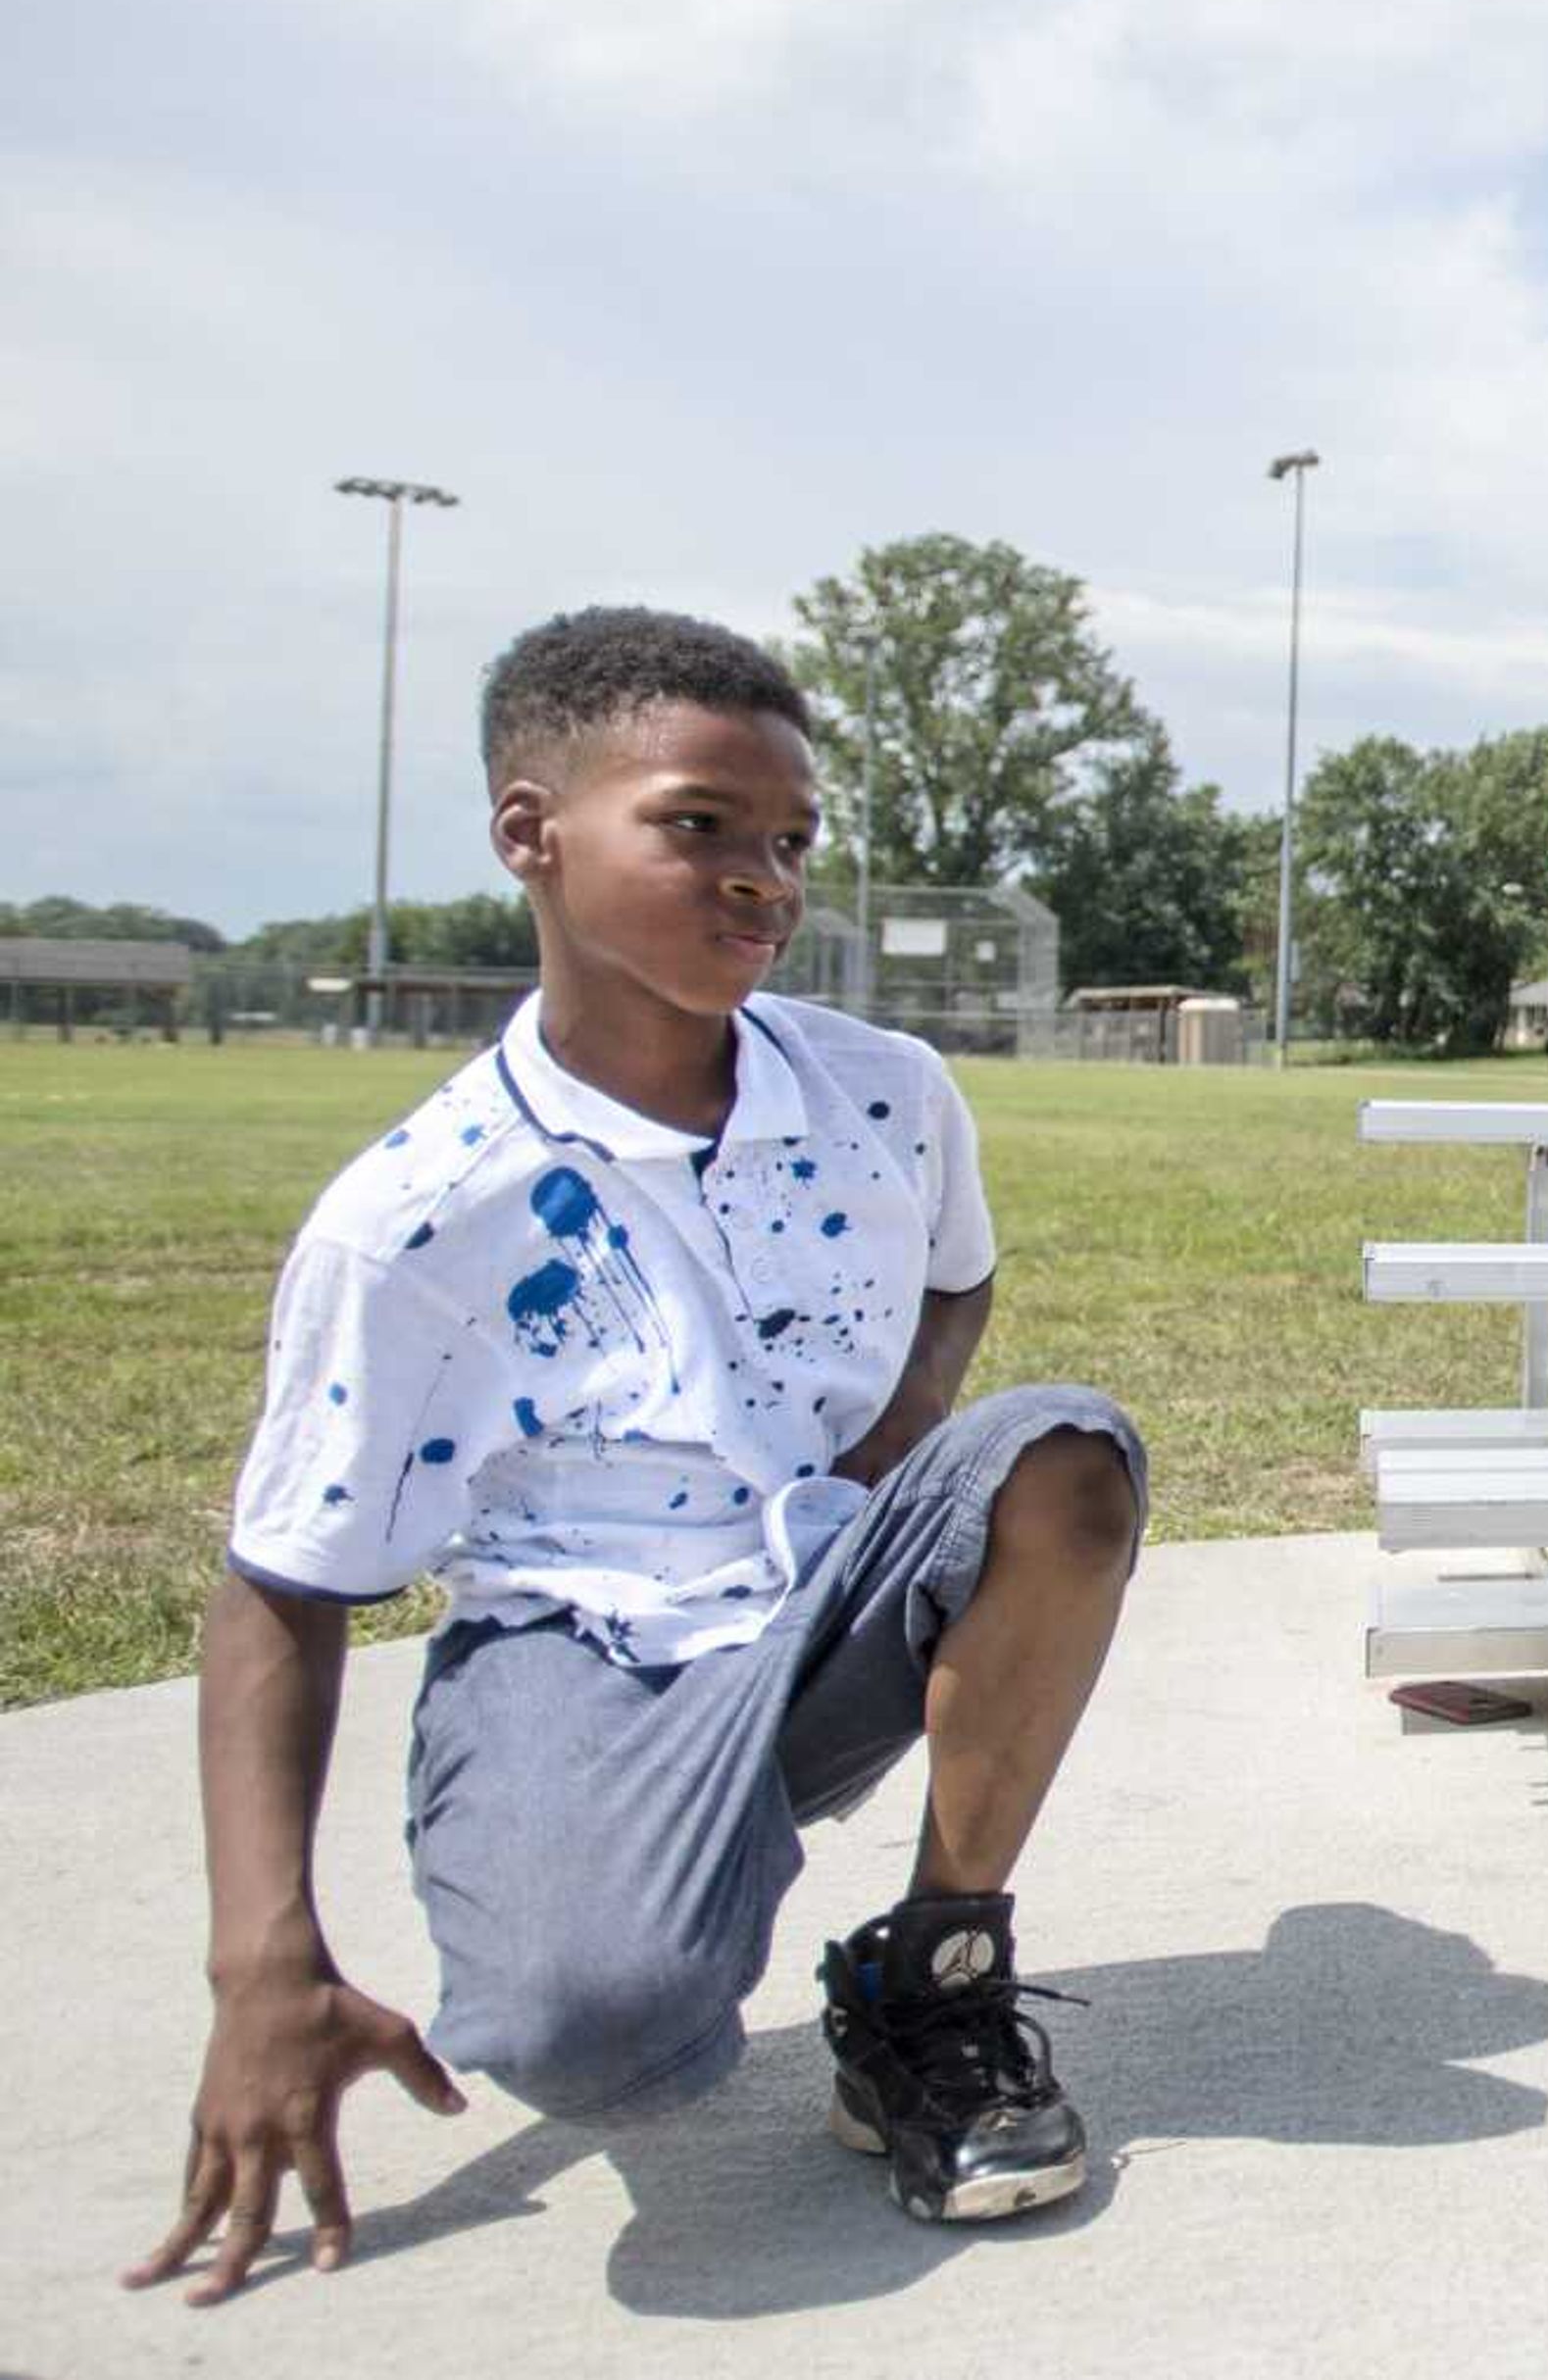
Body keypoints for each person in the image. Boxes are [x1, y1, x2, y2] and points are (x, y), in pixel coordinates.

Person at [130, 608, 1149, 2305]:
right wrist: (263, 1962)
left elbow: (957, 1279)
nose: (763, 876)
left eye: (791, 842)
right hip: (585, 1643)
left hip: (814, 1587)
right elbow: (282, 1586)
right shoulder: (418, 1217)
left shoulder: (884, 1092)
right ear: (533, 831)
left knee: (1065, 1459)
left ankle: (931, 1977)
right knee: (594, 2035)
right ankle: (651, 1855)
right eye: (698, 824)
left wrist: (882, 1482)